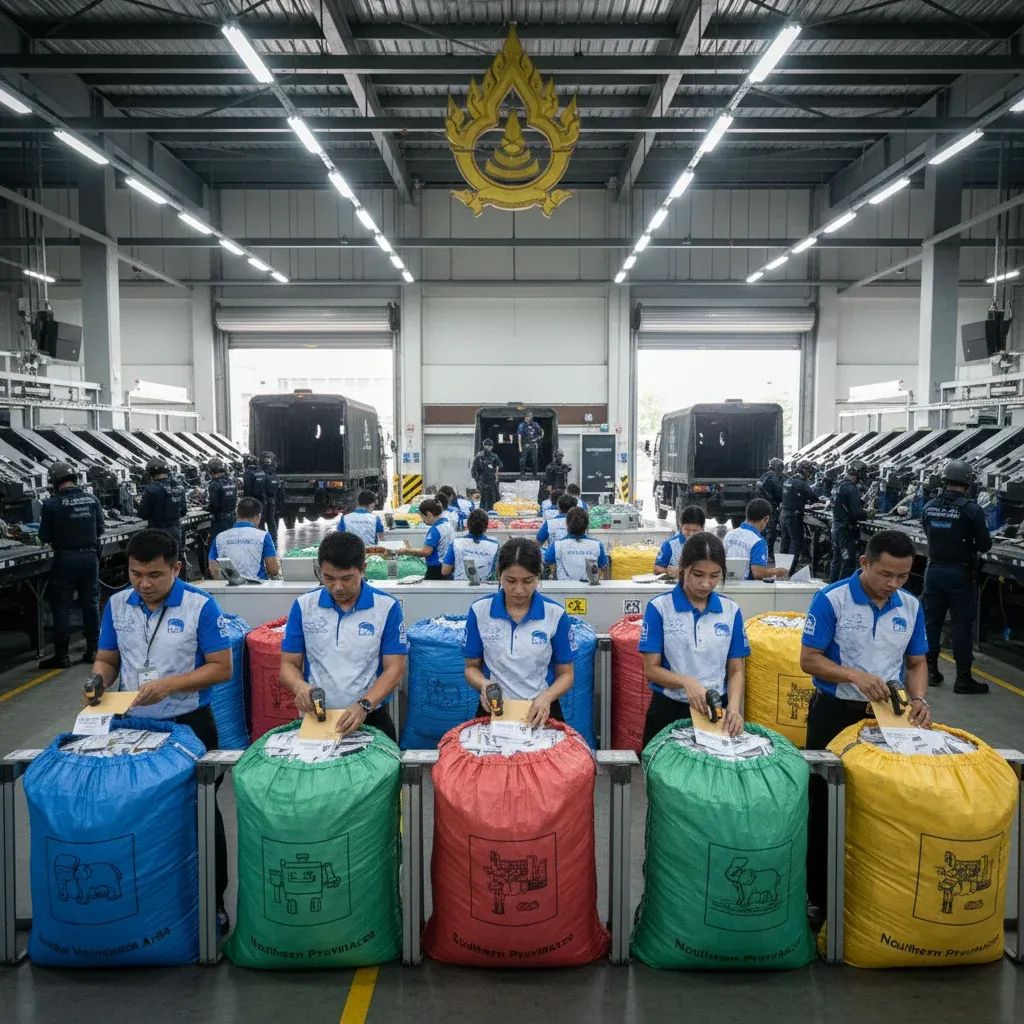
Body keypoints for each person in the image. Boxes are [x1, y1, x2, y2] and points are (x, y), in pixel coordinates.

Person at [90, 528, 234, 930]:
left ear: (176, 568)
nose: (144, 584)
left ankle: (213, 902)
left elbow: (222, 667)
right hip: (132, 728)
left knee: (200, 814)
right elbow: (107, 657)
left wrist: (169, 685)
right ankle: (149, 901)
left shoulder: (200, 606)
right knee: (138, 815)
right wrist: (98, 680)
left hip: (188, 727)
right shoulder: (118, 604)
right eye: (136, 574)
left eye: (154, 575)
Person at [800, 529, 931, 915]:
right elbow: (809, 659)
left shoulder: (909, 606)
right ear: (865, 563)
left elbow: (916, 662)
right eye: (886, 574)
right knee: (823, 804)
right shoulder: (832, 599)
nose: (893, 584)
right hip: (833, 714)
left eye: (902, 576)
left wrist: (919, 698)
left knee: (880, 801)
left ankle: (873, 894)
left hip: (886, 719)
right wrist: (854, 675)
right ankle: (818, 896)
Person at [279, 532, 407, 743]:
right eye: (328, 578)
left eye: (346, 578)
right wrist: (300, 687)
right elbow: (288, 665)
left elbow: (395, 668)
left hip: (369, 715)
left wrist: (364, 705)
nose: (337, 587)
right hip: (318, 717)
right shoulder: (304, 606)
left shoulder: (386, 607)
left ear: (363, 569)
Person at [638, 532, 750, 747]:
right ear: (683, 568)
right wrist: (686, 682)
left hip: (715, 710)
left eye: (715, 575)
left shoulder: (730, 611)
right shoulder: (660, 608)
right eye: (698, 574)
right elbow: (650, 669)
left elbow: (736, 670)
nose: (706, 584)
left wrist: (734, 709)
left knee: (713, 776)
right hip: (669, 708)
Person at [463, 538, 574, 728]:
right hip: (495, 708)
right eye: (511, 581)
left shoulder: (555, 615)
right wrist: (485, 685)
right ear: (499, 575)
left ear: (538, 577)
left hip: (540, 708)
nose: (519, 590)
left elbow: (566, 674)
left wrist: (547, 697)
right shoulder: (480, 611)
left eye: (528, 581)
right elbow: (471, 667)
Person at [922, 459, 993, 694]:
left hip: (933, 570)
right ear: (968, 482)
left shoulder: (929, 506)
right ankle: (963, 679)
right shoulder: (971, 509)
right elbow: (985, 544)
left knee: (932, 622)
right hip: (959, 573)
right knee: (962, 625)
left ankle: (929, 671)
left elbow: (928, 530)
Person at [38, 462, 104, 669]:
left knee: (62, 607)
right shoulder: (92, 499)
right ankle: (93, 650)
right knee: (90, 604)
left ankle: (62, 656)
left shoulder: (51, 504)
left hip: (66, 559)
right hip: (90, 558)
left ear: (53, 481)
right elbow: (100, 528)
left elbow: (44, 535)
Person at [208, 497, 280, 581]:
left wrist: (225, 584)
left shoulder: (219, 538)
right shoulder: (263, 536)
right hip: (258, 588)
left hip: (229, 589)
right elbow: (273, 570)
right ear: (258, 516)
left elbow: (213, 568)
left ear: (236, 514)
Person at [722, 498, 790, 581]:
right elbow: (758, 573)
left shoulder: (729, 535)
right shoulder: (757, 541)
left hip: (726, 586)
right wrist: (778, 571)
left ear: (747, 515)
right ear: (766, 519)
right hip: (747, 589)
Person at [138, 456, 186, 556]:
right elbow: (184, 511)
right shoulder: (179, 487)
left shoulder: (151, 490)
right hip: (176, 531)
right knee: (177, 560)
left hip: (158, 533)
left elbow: (142, 514)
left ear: (151, 473)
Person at [543, 506, 608, 581]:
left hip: (563, 590)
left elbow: (547, 561)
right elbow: (602, 565)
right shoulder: (597, 545)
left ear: (566, 524)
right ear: (587, 525)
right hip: (589, 591)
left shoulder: (557, 545)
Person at [780, 461, 819, 576]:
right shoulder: (801, 483)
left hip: (784, 515)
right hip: (794, 516)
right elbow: (813, 497)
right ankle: (789, 572)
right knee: (795, 543)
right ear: (805, 472)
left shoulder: (787, 481)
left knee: (785, 543)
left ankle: (781, 570)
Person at [830, 459, 866, 581]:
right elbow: (857, 513)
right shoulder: (851, 488)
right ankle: (842, 590)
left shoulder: (838, 485)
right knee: (848, 561)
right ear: (858, 473)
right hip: (845, 530)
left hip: (835, 527)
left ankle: (831, 587)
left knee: (837, 559)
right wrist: (868, 514)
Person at [404, 497, 455, 580]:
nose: (423, 520)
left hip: (436, 570)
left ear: (429, 514)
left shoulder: (435, 530)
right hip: (448, 567)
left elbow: (425, 552)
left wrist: (406, 551)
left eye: (422, 516)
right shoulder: (447, 524)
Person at [442, 508, 499, 580]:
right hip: (485, 588)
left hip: (459, 587)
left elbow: (445, 571)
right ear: (486, 526)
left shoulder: (456, 543)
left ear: (467, 525)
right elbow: (497, 572)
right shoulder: (494, 545)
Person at [653, 504, 706, 578]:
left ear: (702, 528)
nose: (690, 534)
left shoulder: (709, 544)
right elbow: (656, 568)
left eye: (695, 530)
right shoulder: (670, 544)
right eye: (687, 530)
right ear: (681, 526)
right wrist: (670, 571)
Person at [755, 457, 785, 559]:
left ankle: (760, 553)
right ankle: (768, 553)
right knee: (771, 532)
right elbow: (780, 494)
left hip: (759, 508)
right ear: (778, 468)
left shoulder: (763, 476)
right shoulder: (773, 479)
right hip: (769, 508)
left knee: (761, 531)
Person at [206, 457, 237, 544]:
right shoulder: (231, 482)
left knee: (217, 546)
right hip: (231, 519)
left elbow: (215, 506)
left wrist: (206, 508)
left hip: (220, 521)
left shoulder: (214, 484)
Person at [471, 439, 502, 512]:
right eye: (486, 445)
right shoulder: (479, 456)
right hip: (483, 482)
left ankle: (493, 519)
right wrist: (478, 482)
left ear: (492, 447)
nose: (488, 447)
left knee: (494, 503)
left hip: (492, 483)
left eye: (489, 446)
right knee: (483, 504)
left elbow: (499, 466)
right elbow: (474, 471)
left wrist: (496, 479)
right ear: (484, 446)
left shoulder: (494, 456)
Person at [517, 411, 543, 475]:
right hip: (525, 444)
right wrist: (520, 447)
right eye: (528, 416)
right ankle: (522, 474)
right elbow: (519, 436)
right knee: (523, 460)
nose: (530, 418)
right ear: (525, 417)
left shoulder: (535, 424)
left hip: (534, 444)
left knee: (535, 460)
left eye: (531, 416)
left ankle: (534, 474)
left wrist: (537, 439)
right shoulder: (522, 425)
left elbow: (541, 433)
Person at [260, 451, 280, 536]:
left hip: (264, 501)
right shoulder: (274, 477)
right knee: (271, 520)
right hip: (272, 501)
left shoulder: (263, 475)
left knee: (261, 522)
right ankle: (274, 539)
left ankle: (264, 538)